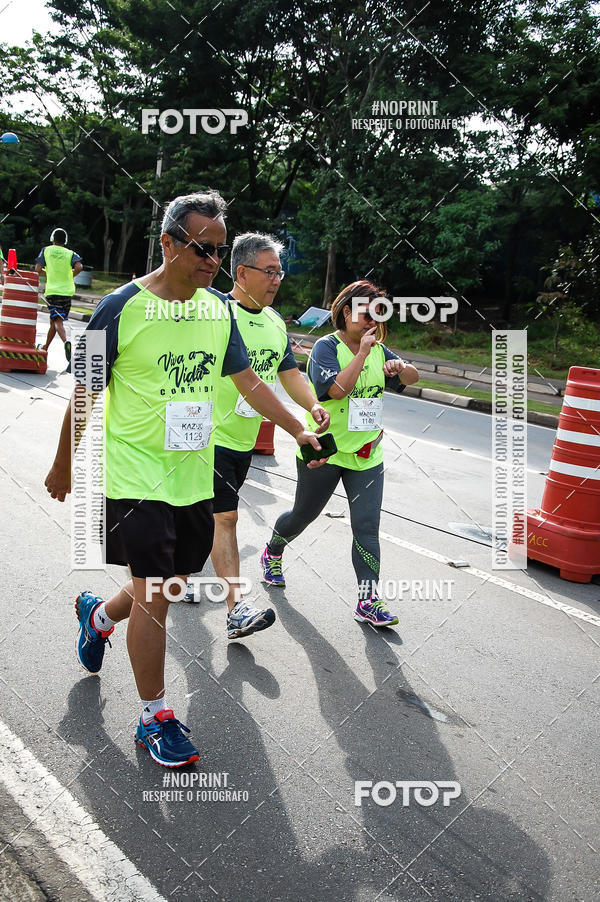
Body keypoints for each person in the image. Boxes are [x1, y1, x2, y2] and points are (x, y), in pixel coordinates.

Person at [44, 191, 326, 768]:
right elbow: (85, 390)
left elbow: (250, 383)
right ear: (167, 243)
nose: (213, 261)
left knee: (169, 584)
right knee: (156, 596)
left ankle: (98, 617)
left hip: (194, 476)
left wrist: (296, 427)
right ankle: (155, 715)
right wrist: (64, 463)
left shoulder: (219, 311)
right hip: (136, 476)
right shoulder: (118, 308)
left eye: (219, 251)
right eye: (202, 249)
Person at [193, 232, 330, 638]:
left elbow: (288, 373)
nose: (276, 280)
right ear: (241, 272)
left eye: (279, 273)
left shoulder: (273, 322)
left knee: (202, 519)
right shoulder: (215, 311)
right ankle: (236, 608)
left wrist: (312, 405)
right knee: (226, 517)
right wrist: (297, 428)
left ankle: (173, 576)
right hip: (204, 437)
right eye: (269, 272)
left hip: (243, 441)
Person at [261, 280, 419, 627]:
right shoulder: (326, 348)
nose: (372, 322)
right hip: (325, 451)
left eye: (378, 315)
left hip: (366, 456)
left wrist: (400, 368)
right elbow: (336, 390)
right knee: (303, 515)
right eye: (366, 314)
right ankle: (273, 550)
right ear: (347, 312)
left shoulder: (380, 350)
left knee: (367, 528)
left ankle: (368, 600)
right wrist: (362, 354)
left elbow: (413, 377)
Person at [35, 228, 83, 361]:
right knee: (54, 321)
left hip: (53, 292)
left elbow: (37, 269)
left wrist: (49, 273)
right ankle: (45, 347)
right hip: (67, 292)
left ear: (52, 239)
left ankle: (66, 342)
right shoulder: (70, 253)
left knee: (58, 321)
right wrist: (71, 275)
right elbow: (79, 267)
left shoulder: (46, 250)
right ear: (65, 241)